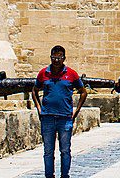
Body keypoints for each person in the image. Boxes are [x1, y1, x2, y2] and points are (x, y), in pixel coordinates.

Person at [31, 46, 88, 178]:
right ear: (51, 57)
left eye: (59, 57)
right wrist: (39, 109)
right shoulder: (43, 73)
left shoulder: (71, 74)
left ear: (64, 58)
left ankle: (65, 175)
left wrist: (76, 111)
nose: (57, 60)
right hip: (48, 117)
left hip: (65, 118)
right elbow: (35, 90)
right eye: (54, 57)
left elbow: (83, 92)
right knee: (48, 151)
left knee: (65, 150)